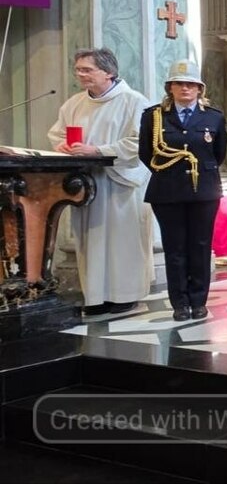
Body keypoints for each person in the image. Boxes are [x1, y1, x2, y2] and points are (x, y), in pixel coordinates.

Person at [48, 48, 156, 315]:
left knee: (122, 242)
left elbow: (139, 141)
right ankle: (96, 297)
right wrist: (62, 145)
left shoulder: (134, 101)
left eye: (87, 69)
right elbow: (56, 133)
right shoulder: (73, 104)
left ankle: (126, 296)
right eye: (78, 70)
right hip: (87, 183)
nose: (81, 75)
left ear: (109, 72)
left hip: (121, 183)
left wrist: (98, 151)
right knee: (91, 241)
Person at [138, 59, 227, 322]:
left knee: (200, 246)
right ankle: (180, 303)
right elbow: (146, 153)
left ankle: (199, 301)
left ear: (200, 88)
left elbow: (218, 154)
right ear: (170, 88)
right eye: (179, 84)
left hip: (204, 192)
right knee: (174, 247)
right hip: (168, 191)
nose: (185, 89)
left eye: (191, 84)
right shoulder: (153, 116)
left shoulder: (214, 116)